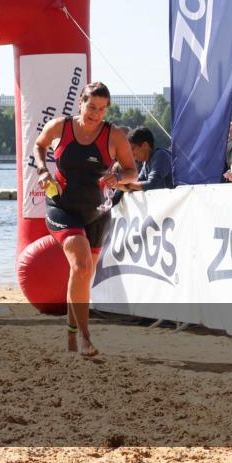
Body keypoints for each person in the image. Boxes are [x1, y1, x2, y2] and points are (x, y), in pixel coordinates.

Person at [34, 81, 137, 358]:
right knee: (81, 266)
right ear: (81, 102)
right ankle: (86, 339)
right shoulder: (61, 127)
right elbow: (39, 145)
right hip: (62, 207)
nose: (95, 114)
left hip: (95, 213)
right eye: (91, 106)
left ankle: (70, 337)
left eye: (102, 109)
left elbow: (132, 172)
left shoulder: (113, 135)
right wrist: (43, 170)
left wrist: (118, 177)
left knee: (81, 276)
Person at [120, 126, 174, 192]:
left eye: (132, 149)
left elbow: (152, 185)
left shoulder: (161, 155)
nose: (131, 154)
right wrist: (117, 184)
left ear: (145, 145)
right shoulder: (145, 162)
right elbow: (138, 182)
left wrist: (126, 184)